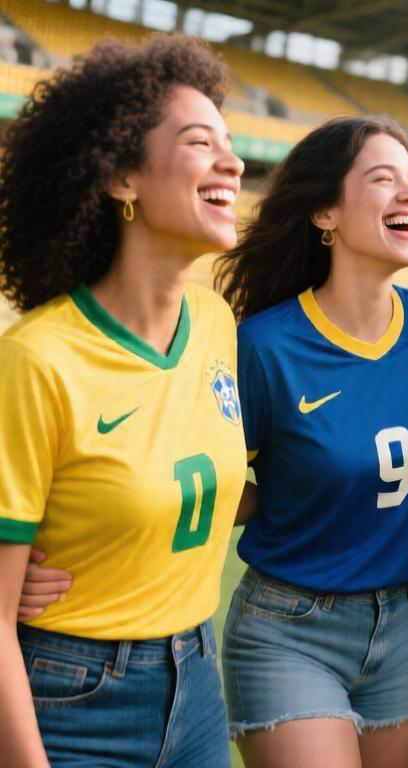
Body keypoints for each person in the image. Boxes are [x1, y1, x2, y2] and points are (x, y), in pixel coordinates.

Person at [212, 115, 408, 768]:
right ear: (325, 214)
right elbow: (211, 481)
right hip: (288, 629)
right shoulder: (265, 346)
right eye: (384, 179)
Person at [0, 36, 245, 766]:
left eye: (231, 144)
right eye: (201, 142)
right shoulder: (38, 359)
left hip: (199, 686)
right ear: (120, 177)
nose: (233, 163)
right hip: (70, 699)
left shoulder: (216, 324)